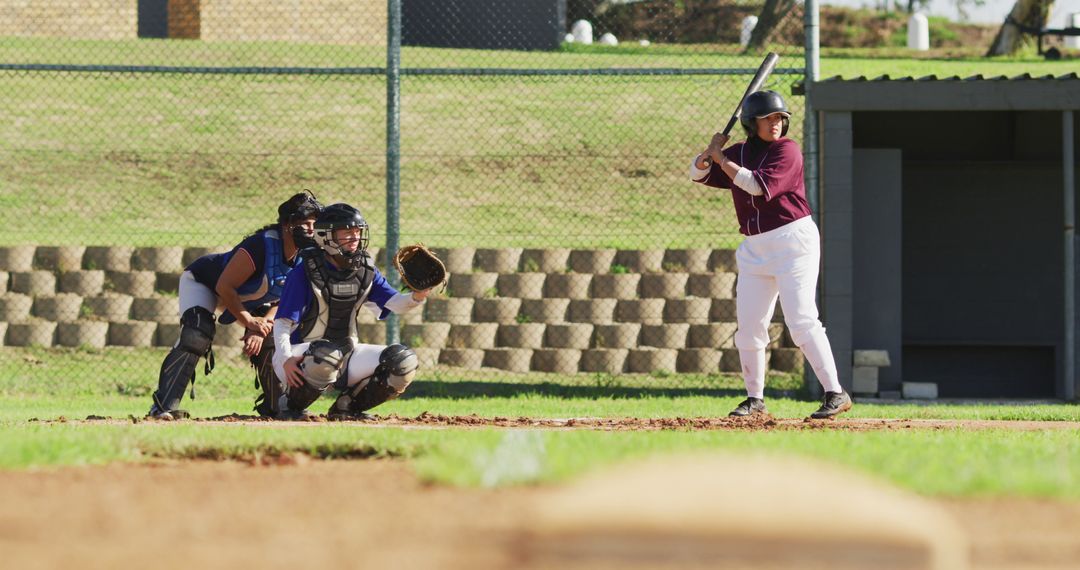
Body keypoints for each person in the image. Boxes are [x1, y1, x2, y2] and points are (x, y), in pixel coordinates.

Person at [689, 90, 852, 419]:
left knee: (802, 320)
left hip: (793, 242)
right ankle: (755, 399)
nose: (776, 124)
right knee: (749, 327)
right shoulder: (739, 153)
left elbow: (755, 186)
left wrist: (722, 158)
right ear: (752, 123)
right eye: (768, 119)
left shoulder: (787, 151)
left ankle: (835, 392)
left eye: (779, 118)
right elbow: (698, 174)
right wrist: (709, 153)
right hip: (754, 247)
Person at [148, 191, 324, 420]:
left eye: (314, 224)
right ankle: (163, 407)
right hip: (207, 283)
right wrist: (249, 321)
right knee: (197, 334)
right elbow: (224, 287)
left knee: (271, 337)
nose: (311, 229)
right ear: (287, 224)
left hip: (253, 299)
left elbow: (285, 299)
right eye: (304, 223)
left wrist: (261, 326)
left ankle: (280, 406)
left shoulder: (306, 255)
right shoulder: (260, 246)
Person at [269, 203, 434, 420]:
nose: (355, 237)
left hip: (344, 353)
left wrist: (418, 295)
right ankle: (290, 404)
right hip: (299, 356)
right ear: (326, 236)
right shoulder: (304, 272)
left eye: (357, 231)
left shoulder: (364, 270)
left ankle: (346, 407)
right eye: (347, 232)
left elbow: (394, 303)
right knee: (327, 356)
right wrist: (286, 359)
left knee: (403, 361)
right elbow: (282, 323)